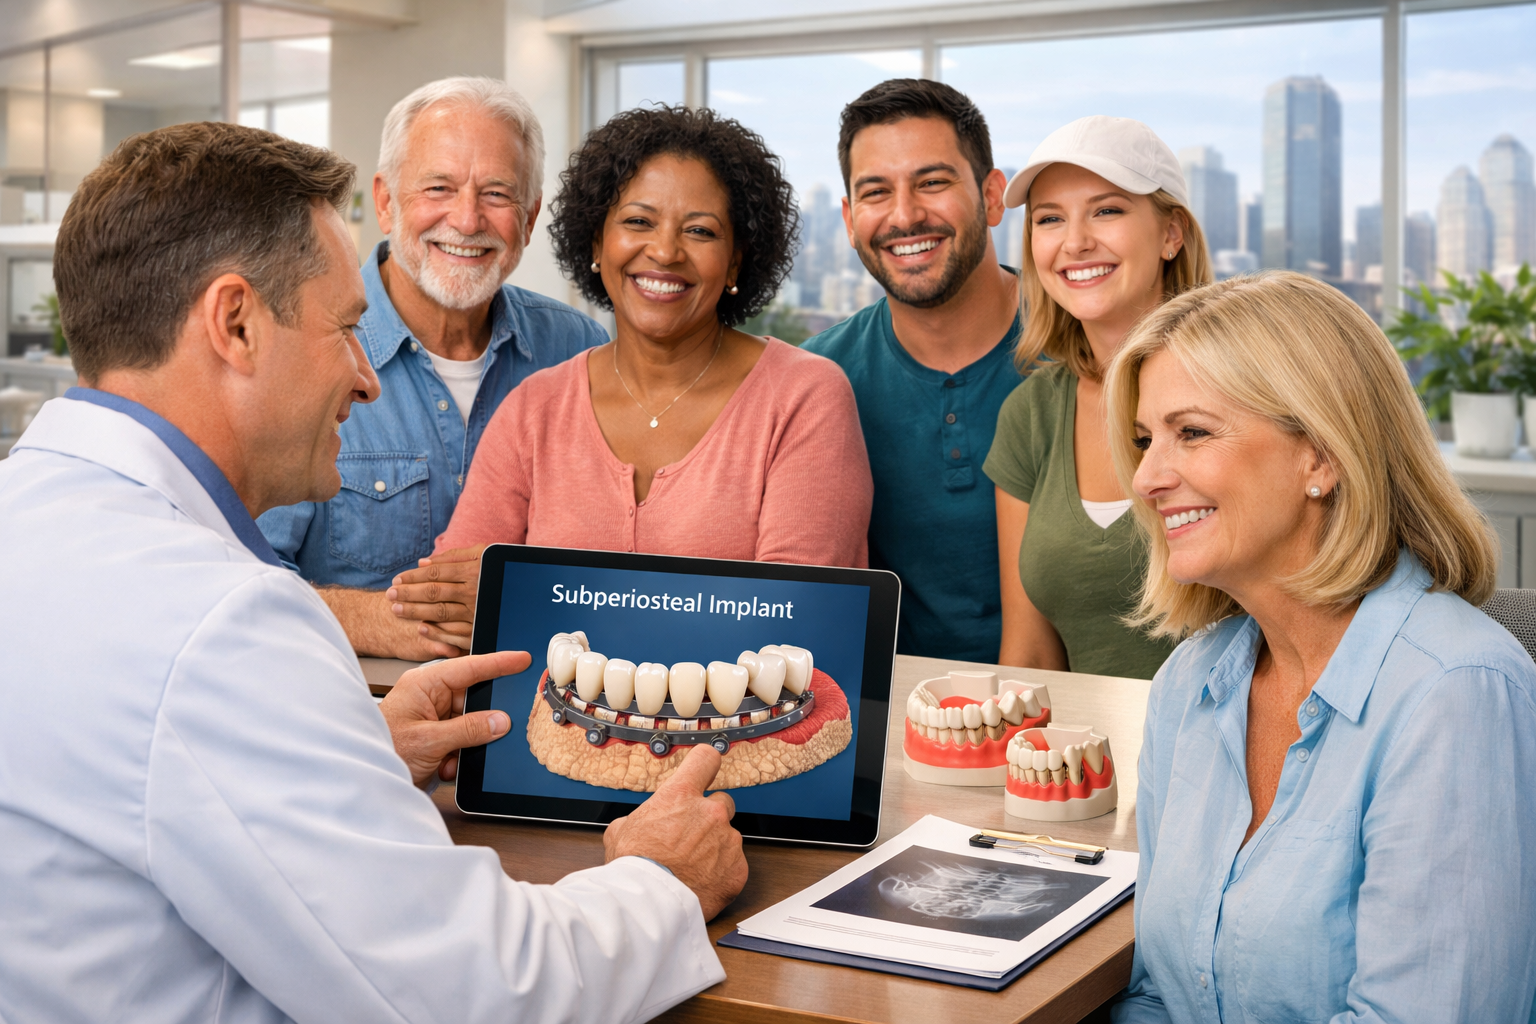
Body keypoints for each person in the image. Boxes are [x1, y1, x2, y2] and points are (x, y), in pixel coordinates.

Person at [0, 122, 747, 1023]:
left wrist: (353, 759)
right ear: (234, 322)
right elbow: (481, 994)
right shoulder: (226, 626)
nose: (365, 377)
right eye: (348, 327)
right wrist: (659, 882)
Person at [1104, 271, 1536, 1023]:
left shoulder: (1456, 693)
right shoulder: (1190, 683)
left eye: (1192, 432)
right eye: (1146, 440)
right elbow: (1154, 995)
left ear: (1322, 457)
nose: (1145, 477)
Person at [385, 105, 872, 633]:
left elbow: (793, 620)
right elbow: (446, 603)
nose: (664, 251)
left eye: (701, 231)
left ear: (736, 260)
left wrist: (528, 596)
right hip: (538, 718)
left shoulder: (805, 396)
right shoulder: (534, 408)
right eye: (637, 222)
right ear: (597, 242)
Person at [256, 77, 607, 661]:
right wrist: (376, 622)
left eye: (497, 193)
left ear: (529, 217)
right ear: (387, 201)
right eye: (438, 187)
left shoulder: (580, 351)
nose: (467, 220)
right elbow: (236, 576)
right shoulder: (297, 349)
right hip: (360, 718)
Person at [801, 79, 1023, 663]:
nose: (905, 215)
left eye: (932, 182)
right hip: (886, 721)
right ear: (849, 220)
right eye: (876, 192)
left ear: (993, 196)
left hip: (1089, 719)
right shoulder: (817, 381)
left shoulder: (1084, 352)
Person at [984, 115, 1212, 678]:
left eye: (1107, 210)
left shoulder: (1243, 385)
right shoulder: (1031, 414)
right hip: (1081, 760)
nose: (1076, 241)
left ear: (1170, 233)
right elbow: (1030, 655)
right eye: (1050, 219)